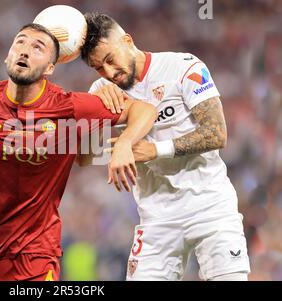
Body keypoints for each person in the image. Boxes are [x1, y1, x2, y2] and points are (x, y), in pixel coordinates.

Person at [0, 23, 157, 281]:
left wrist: (125, 143)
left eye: (37, 47)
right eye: (20, 42)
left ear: (50, 68)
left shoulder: (69, 107)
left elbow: (145, 110)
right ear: (8, 55)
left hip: (34, 260)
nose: (25, 51)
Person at [80, 12, 251, 281]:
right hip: (155, 218)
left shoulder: (183, 67)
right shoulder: (102, 89)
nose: (109, 73)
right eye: (98, 68)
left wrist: (157, 150)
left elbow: (217, 133)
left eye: (110, 60)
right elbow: (87, 157)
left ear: (127, 40)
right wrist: (97, 109)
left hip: (210, 207)